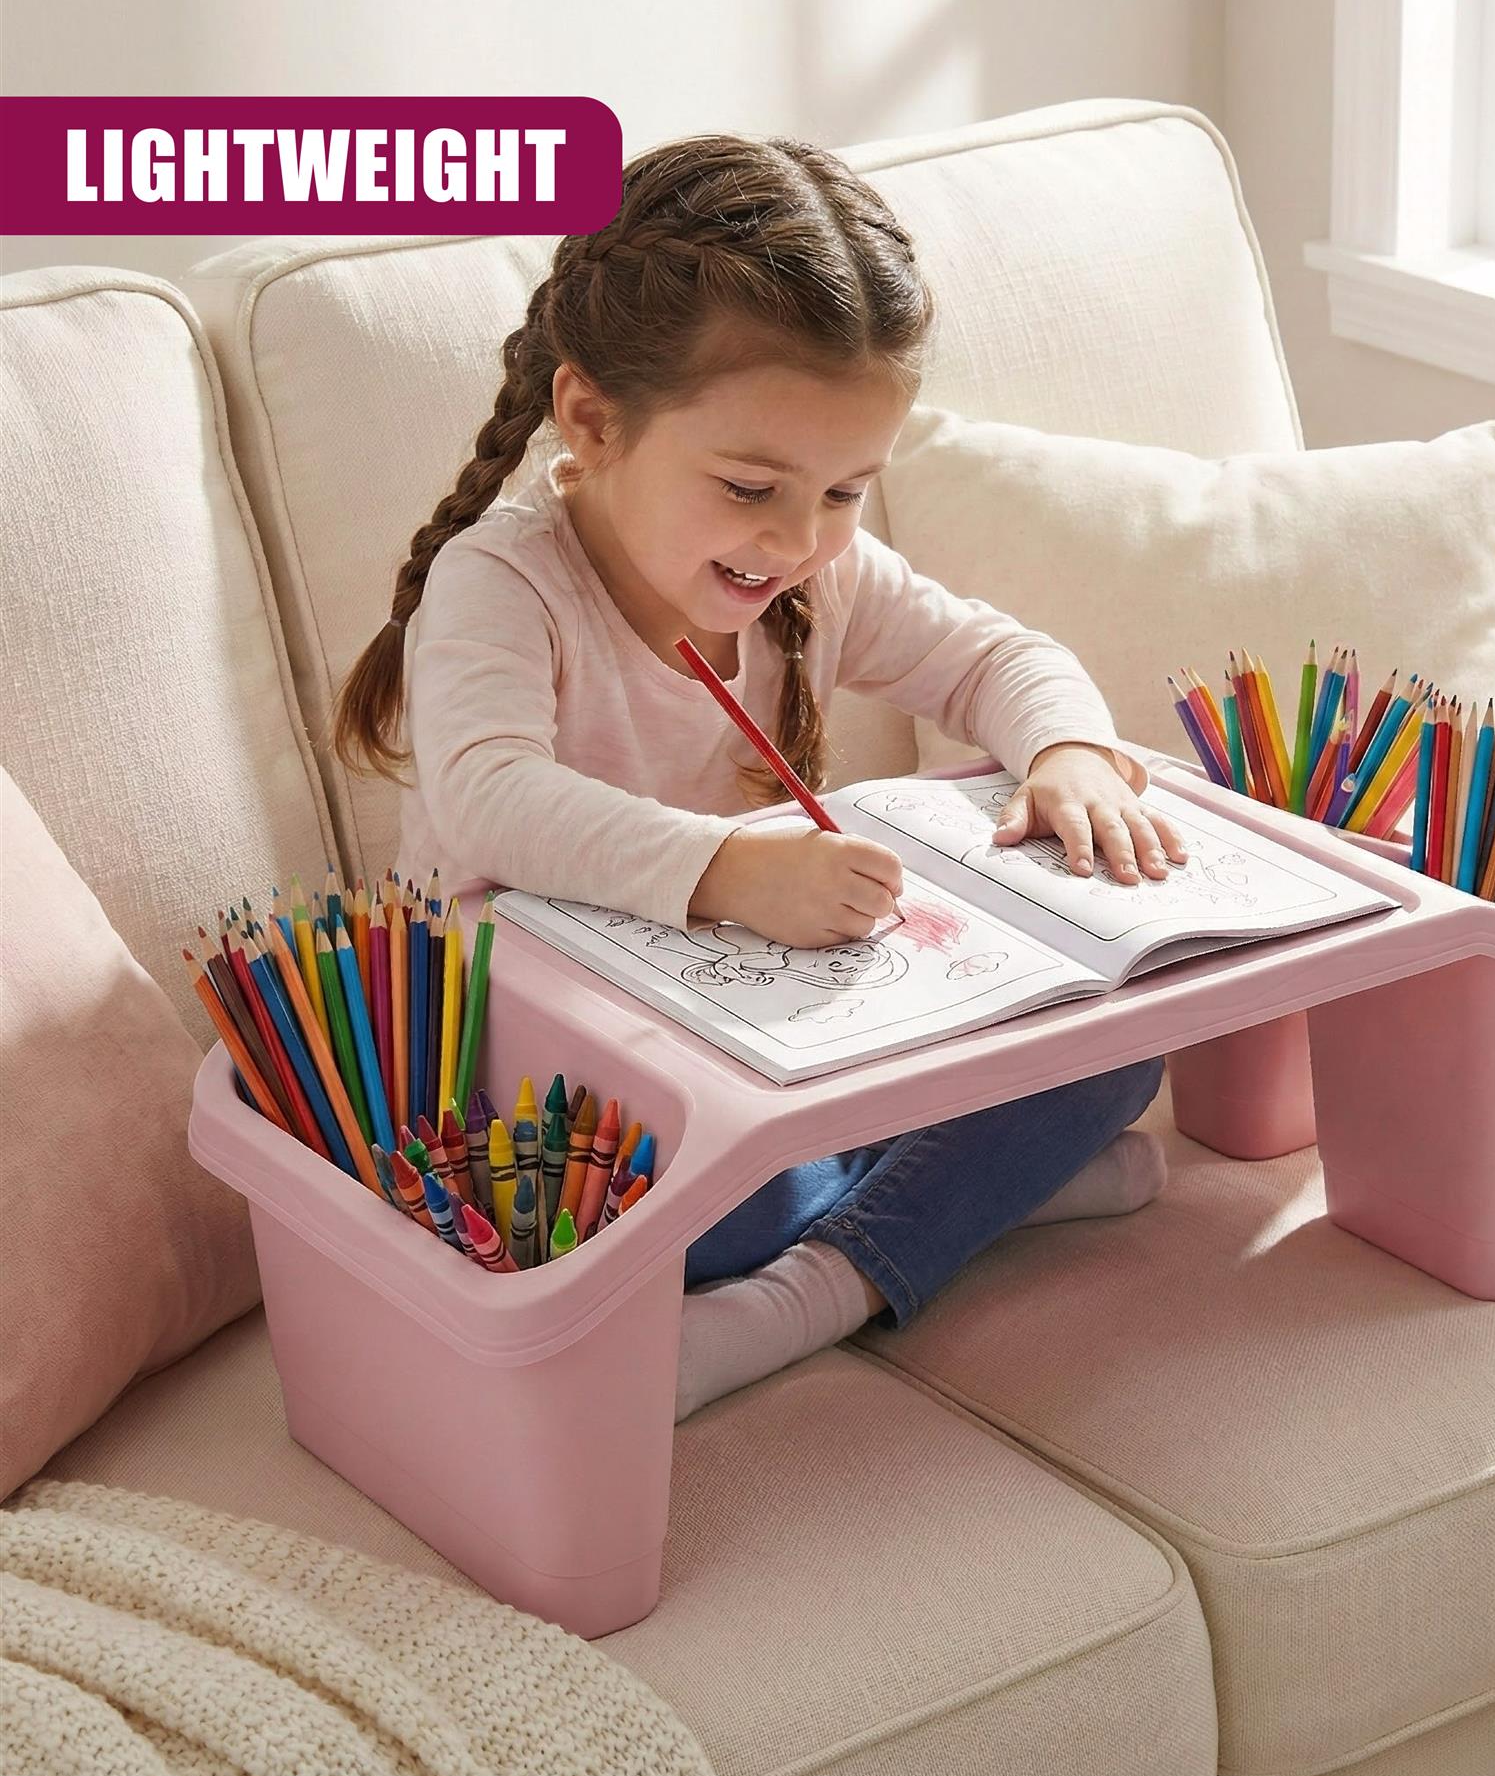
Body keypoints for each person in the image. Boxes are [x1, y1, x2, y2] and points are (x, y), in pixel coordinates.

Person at [331, 131, 1185, 1419]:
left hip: (765, 1042)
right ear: (591, 419)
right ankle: (911, 1234)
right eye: (749, 486)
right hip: (543, 1049)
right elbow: (489, 796)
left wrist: (1066, 746)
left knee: (1121, 1063)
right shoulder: (502, 585)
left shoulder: (818, 578)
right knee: (702, 1217)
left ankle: (858, 1256)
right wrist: (730, 872)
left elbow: (997, 658)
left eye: (845, 490)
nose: (797, 539)